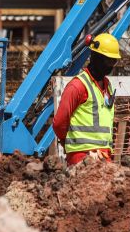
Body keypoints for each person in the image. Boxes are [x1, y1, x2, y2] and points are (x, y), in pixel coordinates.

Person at [52, 33, 121, 166]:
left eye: (114, 61)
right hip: (82, 157)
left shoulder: (108, 86)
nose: (111, 65)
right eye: (108, 60)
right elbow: (59, 123)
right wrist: (68, 143)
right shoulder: (78, 86)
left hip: (104, 155)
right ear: (96, 57)